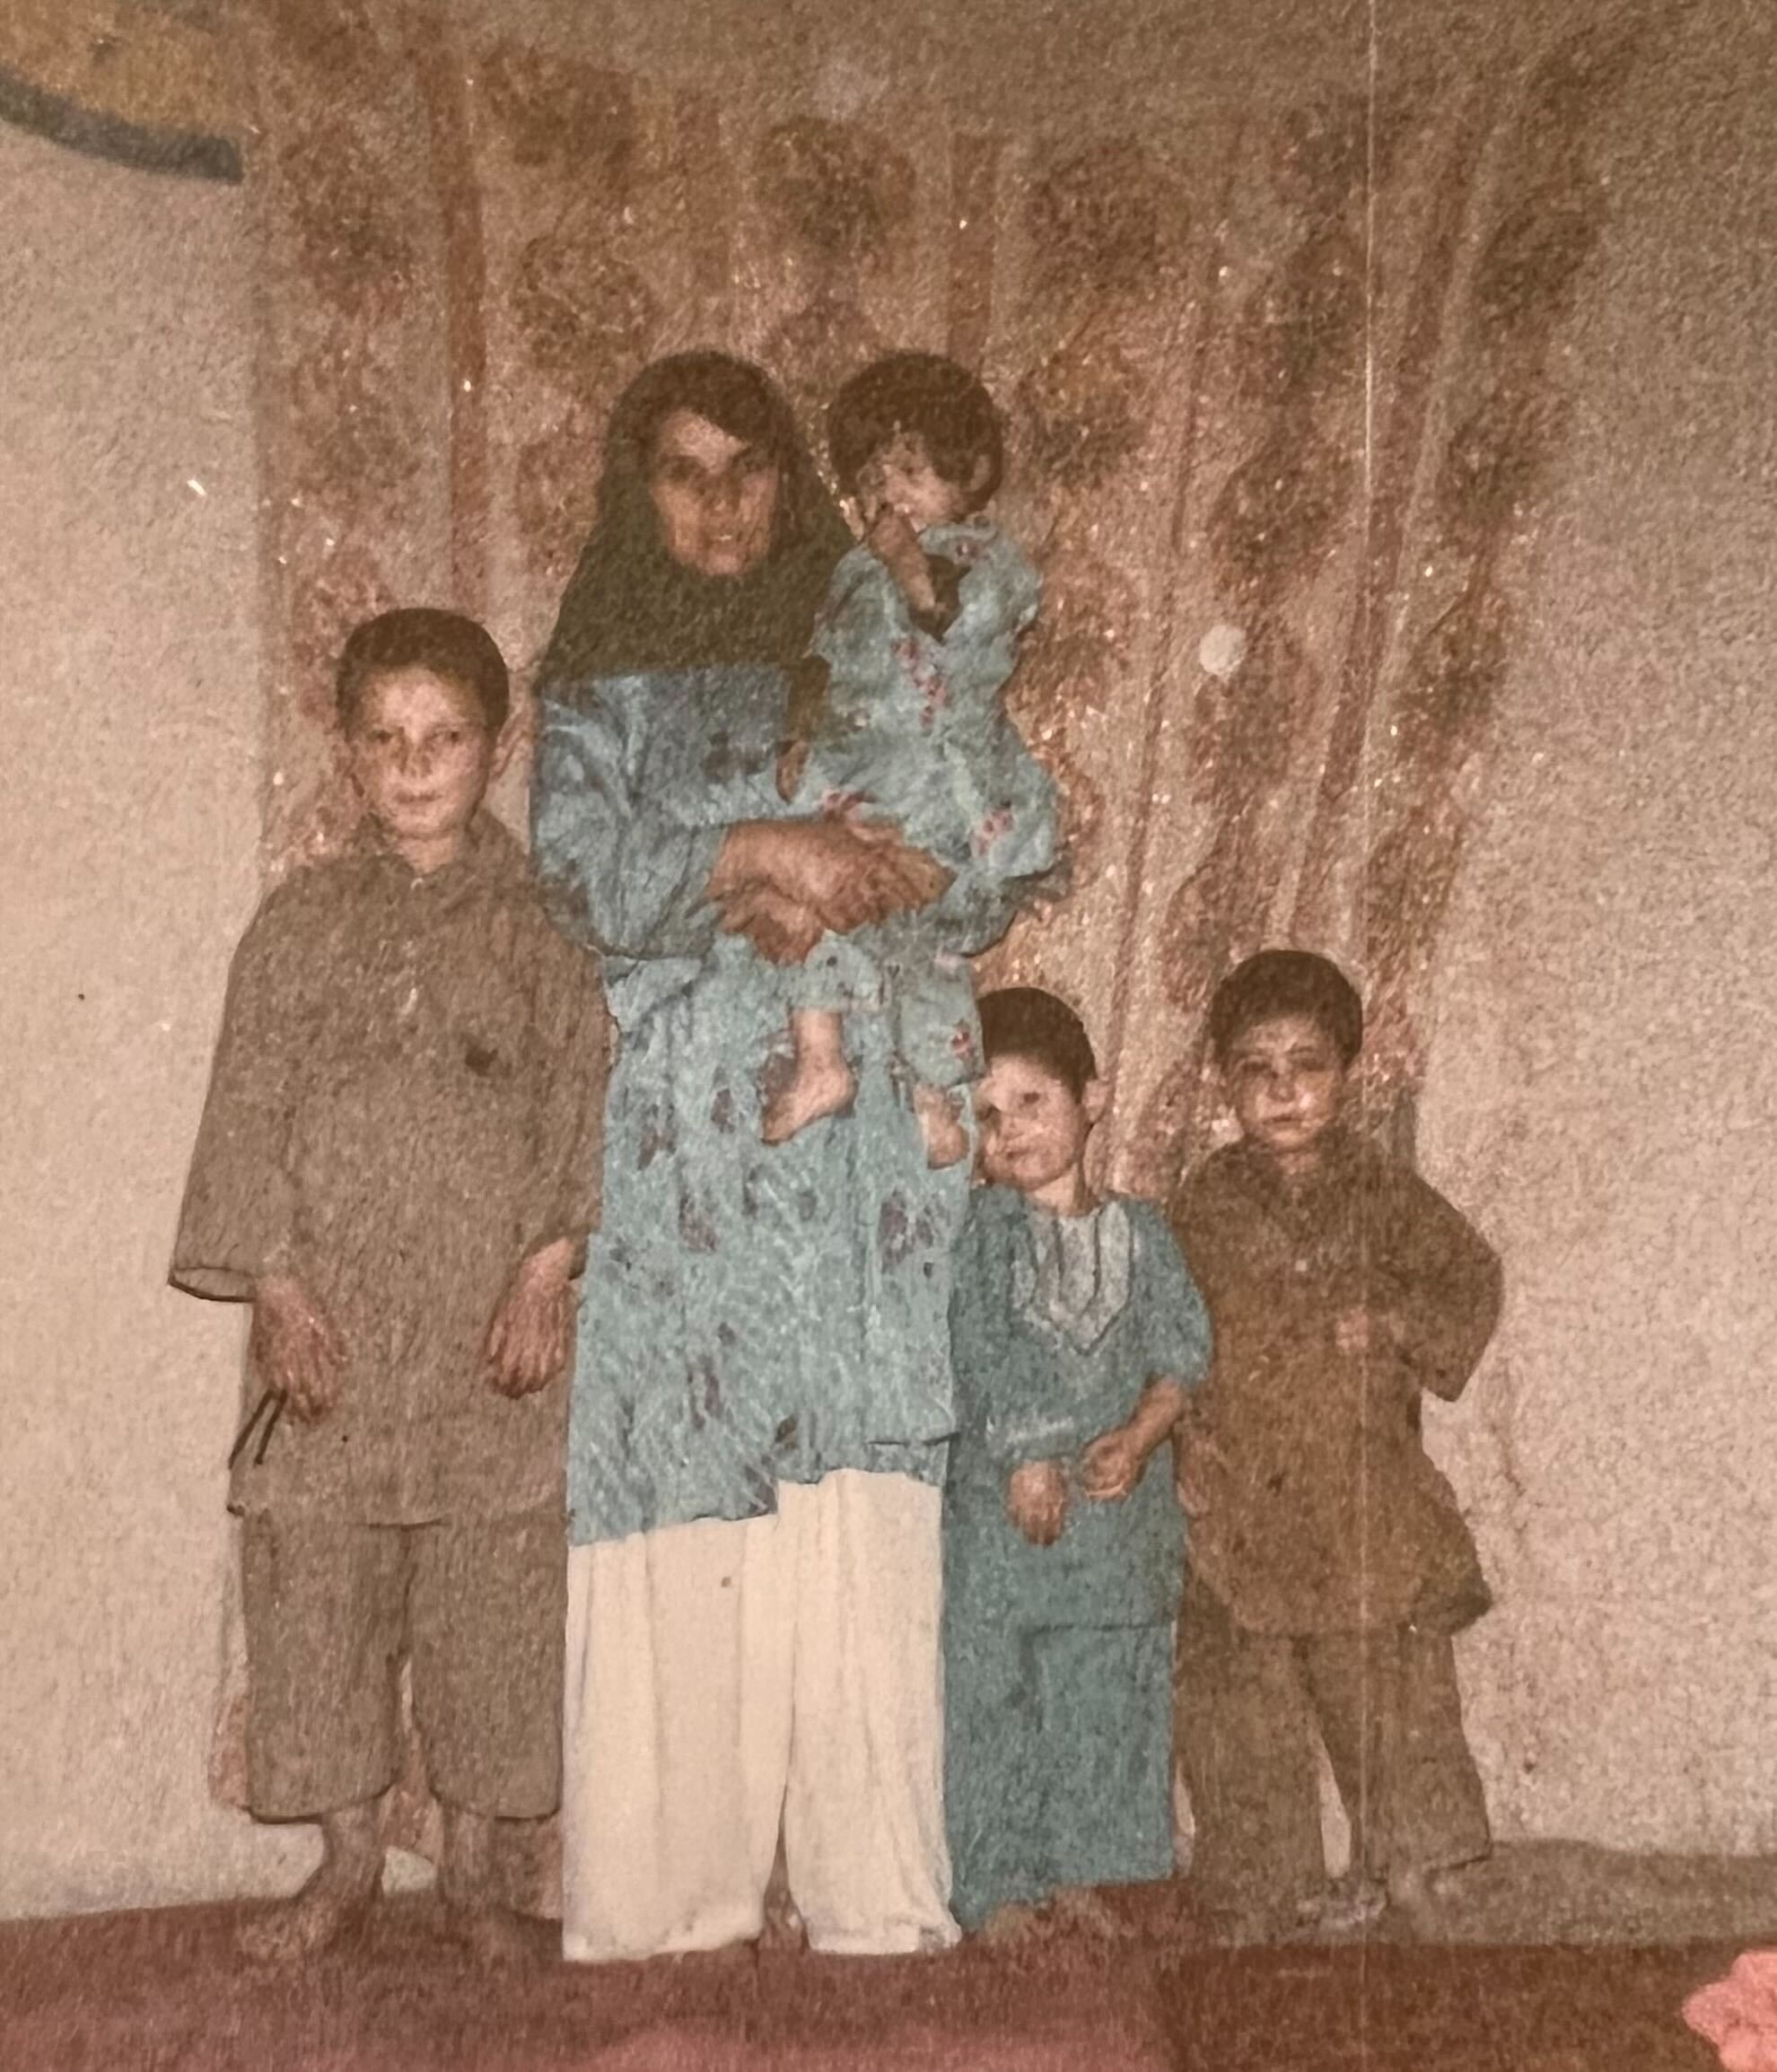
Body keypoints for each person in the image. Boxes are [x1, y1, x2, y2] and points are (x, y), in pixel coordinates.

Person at [530, 352, 1058, 1962]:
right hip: (690, 1132)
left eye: (750, 470)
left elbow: (985, 854)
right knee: (687, 1465)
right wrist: (761, 849)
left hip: (856, 1152)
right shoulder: (594, 676)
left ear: (798, 485)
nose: (718, 505)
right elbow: (583, 880)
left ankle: (869, 1886)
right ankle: (667, 1890)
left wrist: (858, 880)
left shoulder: (866, 640)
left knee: (850, 1463)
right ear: (639, 487)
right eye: (682, 472)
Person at [171, 608, 608, 1965]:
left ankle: (477, 1875)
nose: (416, 767)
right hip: (335, 1338)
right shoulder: (297, 927)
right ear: (349, 755)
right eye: (387, 741)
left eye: (447, 739)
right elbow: (245, 1111)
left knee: (492, 1597)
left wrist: (548, 1265)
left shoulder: (546, 925)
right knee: (319, 1599)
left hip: (492, 1339)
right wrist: (277, 1288)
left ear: (496, 746)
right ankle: (348, 1864)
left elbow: (580, 1103)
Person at [1169, 949, 1500, 1943]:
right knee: (1242, 1702)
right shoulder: (1200, 1205)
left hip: (1363, 1493)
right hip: (1244, 1504)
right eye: (1255, 1066)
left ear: (1348, 1072)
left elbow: (1468, 1279)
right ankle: (1262, 1882)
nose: (1281, 1087)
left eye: (1306, 1062)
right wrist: (1180, 1434)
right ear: (1223, 1083)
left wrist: (1397, 1319)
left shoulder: (1384, 1189)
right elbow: (1161, 1334)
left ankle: (1414, 1864)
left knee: (1392, 1693)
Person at [942, 988, 1210, 1939]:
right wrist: (1025, 1457)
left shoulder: (1146, 1231)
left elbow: (1184, 1350)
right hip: (1005, 1518)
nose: (1007, 1131)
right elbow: (980, 1351)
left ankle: (1089, 1876)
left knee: (1105, 1695)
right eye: (985, 1113)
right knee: (996, 1695)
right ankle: (1000, 1888)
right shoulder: (978, 1234)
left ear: (1092, 1099)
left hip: (1115, 1524)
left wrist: (1141, 1436)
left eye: (1031, 1102)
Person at [764, 353, 1056, 1165]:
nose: (885, 491)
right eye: (869, 476)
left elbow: (950, 623)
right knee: (813, 905)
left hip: (936, 783)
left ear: (967, 480)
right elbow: (820, 662)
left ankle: (935, 1098)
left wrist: (905, 562)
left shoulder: (979, 557)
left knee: (929, 947)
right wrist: (797, 737)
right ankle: (822, 1061)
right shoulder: (852, 571)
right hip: (853, 779)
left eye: (911, 470)